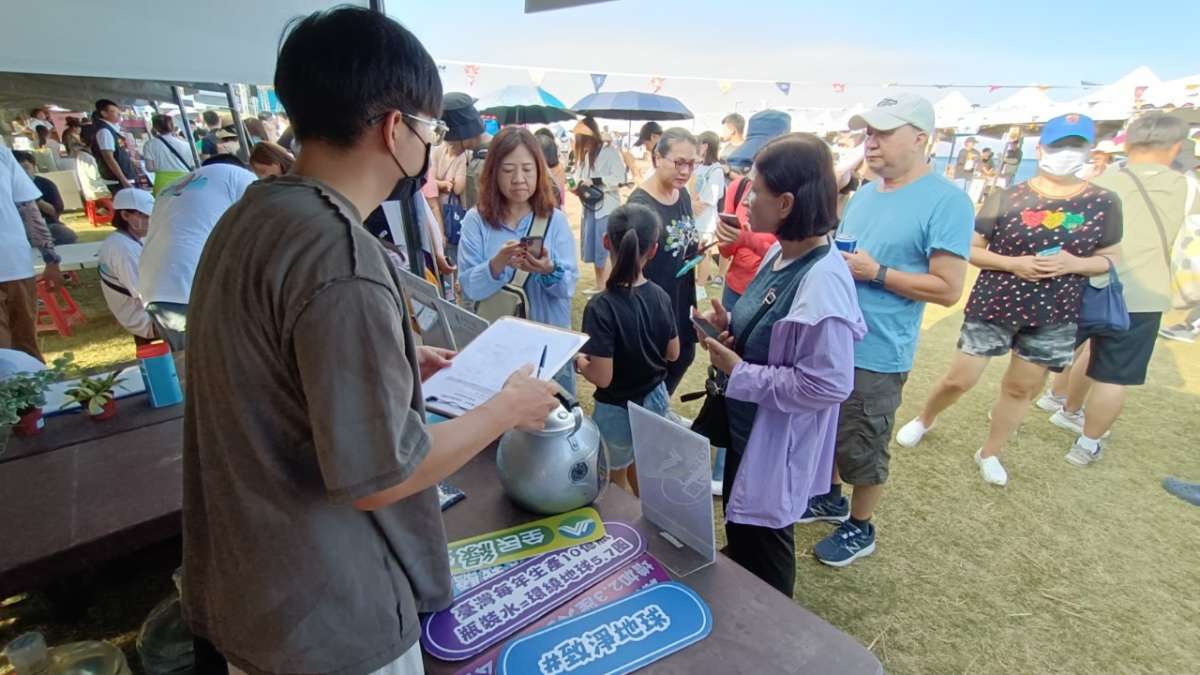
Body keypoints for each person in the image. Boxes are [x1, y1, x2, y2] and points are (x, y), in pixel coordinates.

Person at [182, 10, 560, 675]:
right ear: (397, 129)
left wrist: (401, 359)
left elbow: (271, 361)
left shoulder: (251, 215)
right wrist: (508, 408)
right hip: (328, 615)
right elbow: (384, 474)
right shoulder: (340, 256)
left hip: (253, 593)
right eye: (431, 128)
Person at [895, 114, 1122, 485]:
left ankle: (991, 451)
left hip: (1056, 311)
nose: (1066, 154)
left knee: (1021, 388)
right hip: (996, 302)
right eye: (1059, 145)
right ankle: (924, 418)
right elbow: (971, 249)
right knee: (960, 377)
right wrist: (1013, 263)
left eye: (1076, 146)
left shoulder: (1102, 201)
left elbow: (1111, 257)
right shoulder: (1008, 197)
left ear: (1089, 151)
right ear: (1042, 148)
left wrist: (1076, 264)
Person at [801, 94, 974, 567]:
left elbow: (947, 288)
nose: (870, 143)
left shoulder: (947, 201)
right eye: (867, 134)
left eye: (882, 133)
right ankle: (830, 499)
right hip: (836, 338)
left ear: (920, 137)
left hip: (879, 348)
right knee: (830, 427)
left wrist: (877, 273)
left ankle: (861, 526)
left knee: (864, 439)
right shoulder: (867, 194)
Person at [697, 133, 864, 596]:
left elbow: (827, 384)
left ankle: (776, 642)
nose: (746, 199)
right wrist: (731, 328)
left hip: (775, 442)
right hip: (747, 431)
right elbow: (774, 337)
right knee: (744, 530)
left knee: (767, 549)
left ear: (787, 202)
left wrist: (739, 371)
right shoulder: (779, 252)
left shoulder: (822, 281)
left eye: (756, 190)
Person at [1039, 112, 1199, 466]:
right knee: (1113, 373)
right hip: (1143, 295)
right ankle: (1086, 444)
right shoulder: (1188, 188)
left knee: (1054, 354)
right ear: (1175, 147)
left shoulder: (1099, 181)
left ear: (1126, 143)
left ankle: (1057, 404)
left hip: (1084, 282)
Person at [457, 127, 580, 392]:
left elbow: (568, 287)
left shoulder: (555, 221)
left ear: (539, 171)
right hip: (497, 349)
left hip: (548, 350)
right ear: (493, 173)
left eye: (527, 169)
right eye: (508, 169)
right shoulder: (475, 221)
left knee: (547, 426)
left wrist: (549, 270)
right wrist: (497, 264)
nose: (518, 179)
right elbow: (469, 287)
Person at [576, 203, 679, 494]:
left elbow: (602, 377)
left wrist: (579, 361)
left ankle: (624, 532)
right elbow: (673, 353)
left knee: (614, 478)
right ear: (654, 249)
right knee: (645, 468)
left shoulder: (601, 306)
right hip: (655, 400)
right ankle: (648, 525)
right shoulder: (660, 295)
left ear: (606, 242)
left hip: (616, 409)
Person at [138, 156, 256, 351]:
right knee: (223, 361)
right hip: (192, 282)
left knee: (191, 364)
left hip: (153, 287)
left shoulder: (173, 186)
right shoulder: (241, 177)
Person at [627, 128, 701, 395]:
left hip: (681, 295)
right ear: (657, 157)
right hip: (653, 303)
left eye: (691, 163)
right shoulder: (641, 206)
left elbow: (685, 239)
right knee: (655, 369)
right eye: (679, 162)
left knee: (684, 355)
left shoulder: (681, 195)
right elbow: (630, 267)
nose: (685, 171)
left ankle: (657, 414)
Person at [718, 110, 791, 311]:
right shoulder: (738, 187)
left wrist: (745, 239)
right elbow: (727, 251)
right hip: (736, 288)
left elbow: (789, 252)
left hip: (772, 292)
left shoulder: (794, 194)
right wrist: (726, 237)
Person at [0, 146, 63, 362]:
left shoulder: (2, 153)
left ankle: (35, 394)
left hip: (14, 264)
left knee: (26, 348)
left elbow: (29, 207)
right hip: (15, 263)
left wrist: (51, 259)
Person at [573, 117, 626, 293]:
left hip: (607, 208)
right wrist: (577, 185)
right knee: (594, 249)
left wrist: (595, 180)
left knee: (606, 250)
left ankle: (607, 288)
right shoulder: (587, 155)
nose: (583, 144)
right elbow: (579, 176)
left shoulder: (610, 152)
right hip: (590, 207)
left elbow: (620, 179)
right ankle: (599, 285)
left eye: (584, 140)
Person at [99, 189, 157, 343]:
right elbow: (144, 293)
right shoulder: (121, 248)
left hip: (150, 309)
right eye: (145, 216)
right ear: (125, 215)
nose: (150, 220)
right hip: (145, 319)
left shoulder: (132, 239)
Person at [13, 151, 78, 245]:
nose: (23, 172)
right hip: (17, 228)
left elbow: (55, 211)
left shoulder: (45, 184)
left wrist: (35, 199)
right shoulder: (6, 187)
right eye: (17, 169)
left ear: (34, 167)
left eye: (26, 168)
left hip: (46, 224)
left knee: (65, 234)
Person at [691, 131, 725, 287]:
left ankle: (701, 285)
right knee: (694, 252)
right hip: (694, 217)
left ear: (705, 146)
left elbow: (713, 196)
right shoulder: (700, 167)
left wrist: (697, 204)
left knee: (703, 253)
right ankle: (696, 281)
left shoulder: (716, 170)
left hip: (706, 220)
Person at [91, 99, 135, 189]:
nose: (119, 114)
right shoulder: (104, 131)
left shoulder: (112, 130)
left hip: (124, 178)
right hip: (117, 181)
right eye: (114, 111)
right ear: (104, 113)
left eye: (119, 111)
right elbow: (109, 158)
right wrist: (123, 180)